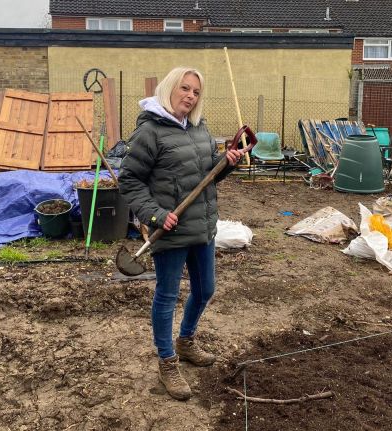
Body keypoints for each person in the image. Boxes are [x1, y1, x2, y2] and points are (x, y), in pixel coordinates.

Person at [119, 67, 244, 401]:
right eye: (185, 88)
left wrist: (227, 162)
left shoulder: (199, 128)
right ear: (170, 88)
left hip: (201, 225)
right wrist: (155, 214)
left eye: (196, 92)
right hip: (170, 230)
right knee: (167, 295)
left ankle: (186, 342)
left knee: (205, 290)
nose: (190, 96)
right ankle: (167, 360)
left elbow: (207, 175)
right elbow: (129, 179)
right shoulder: (150, 130)